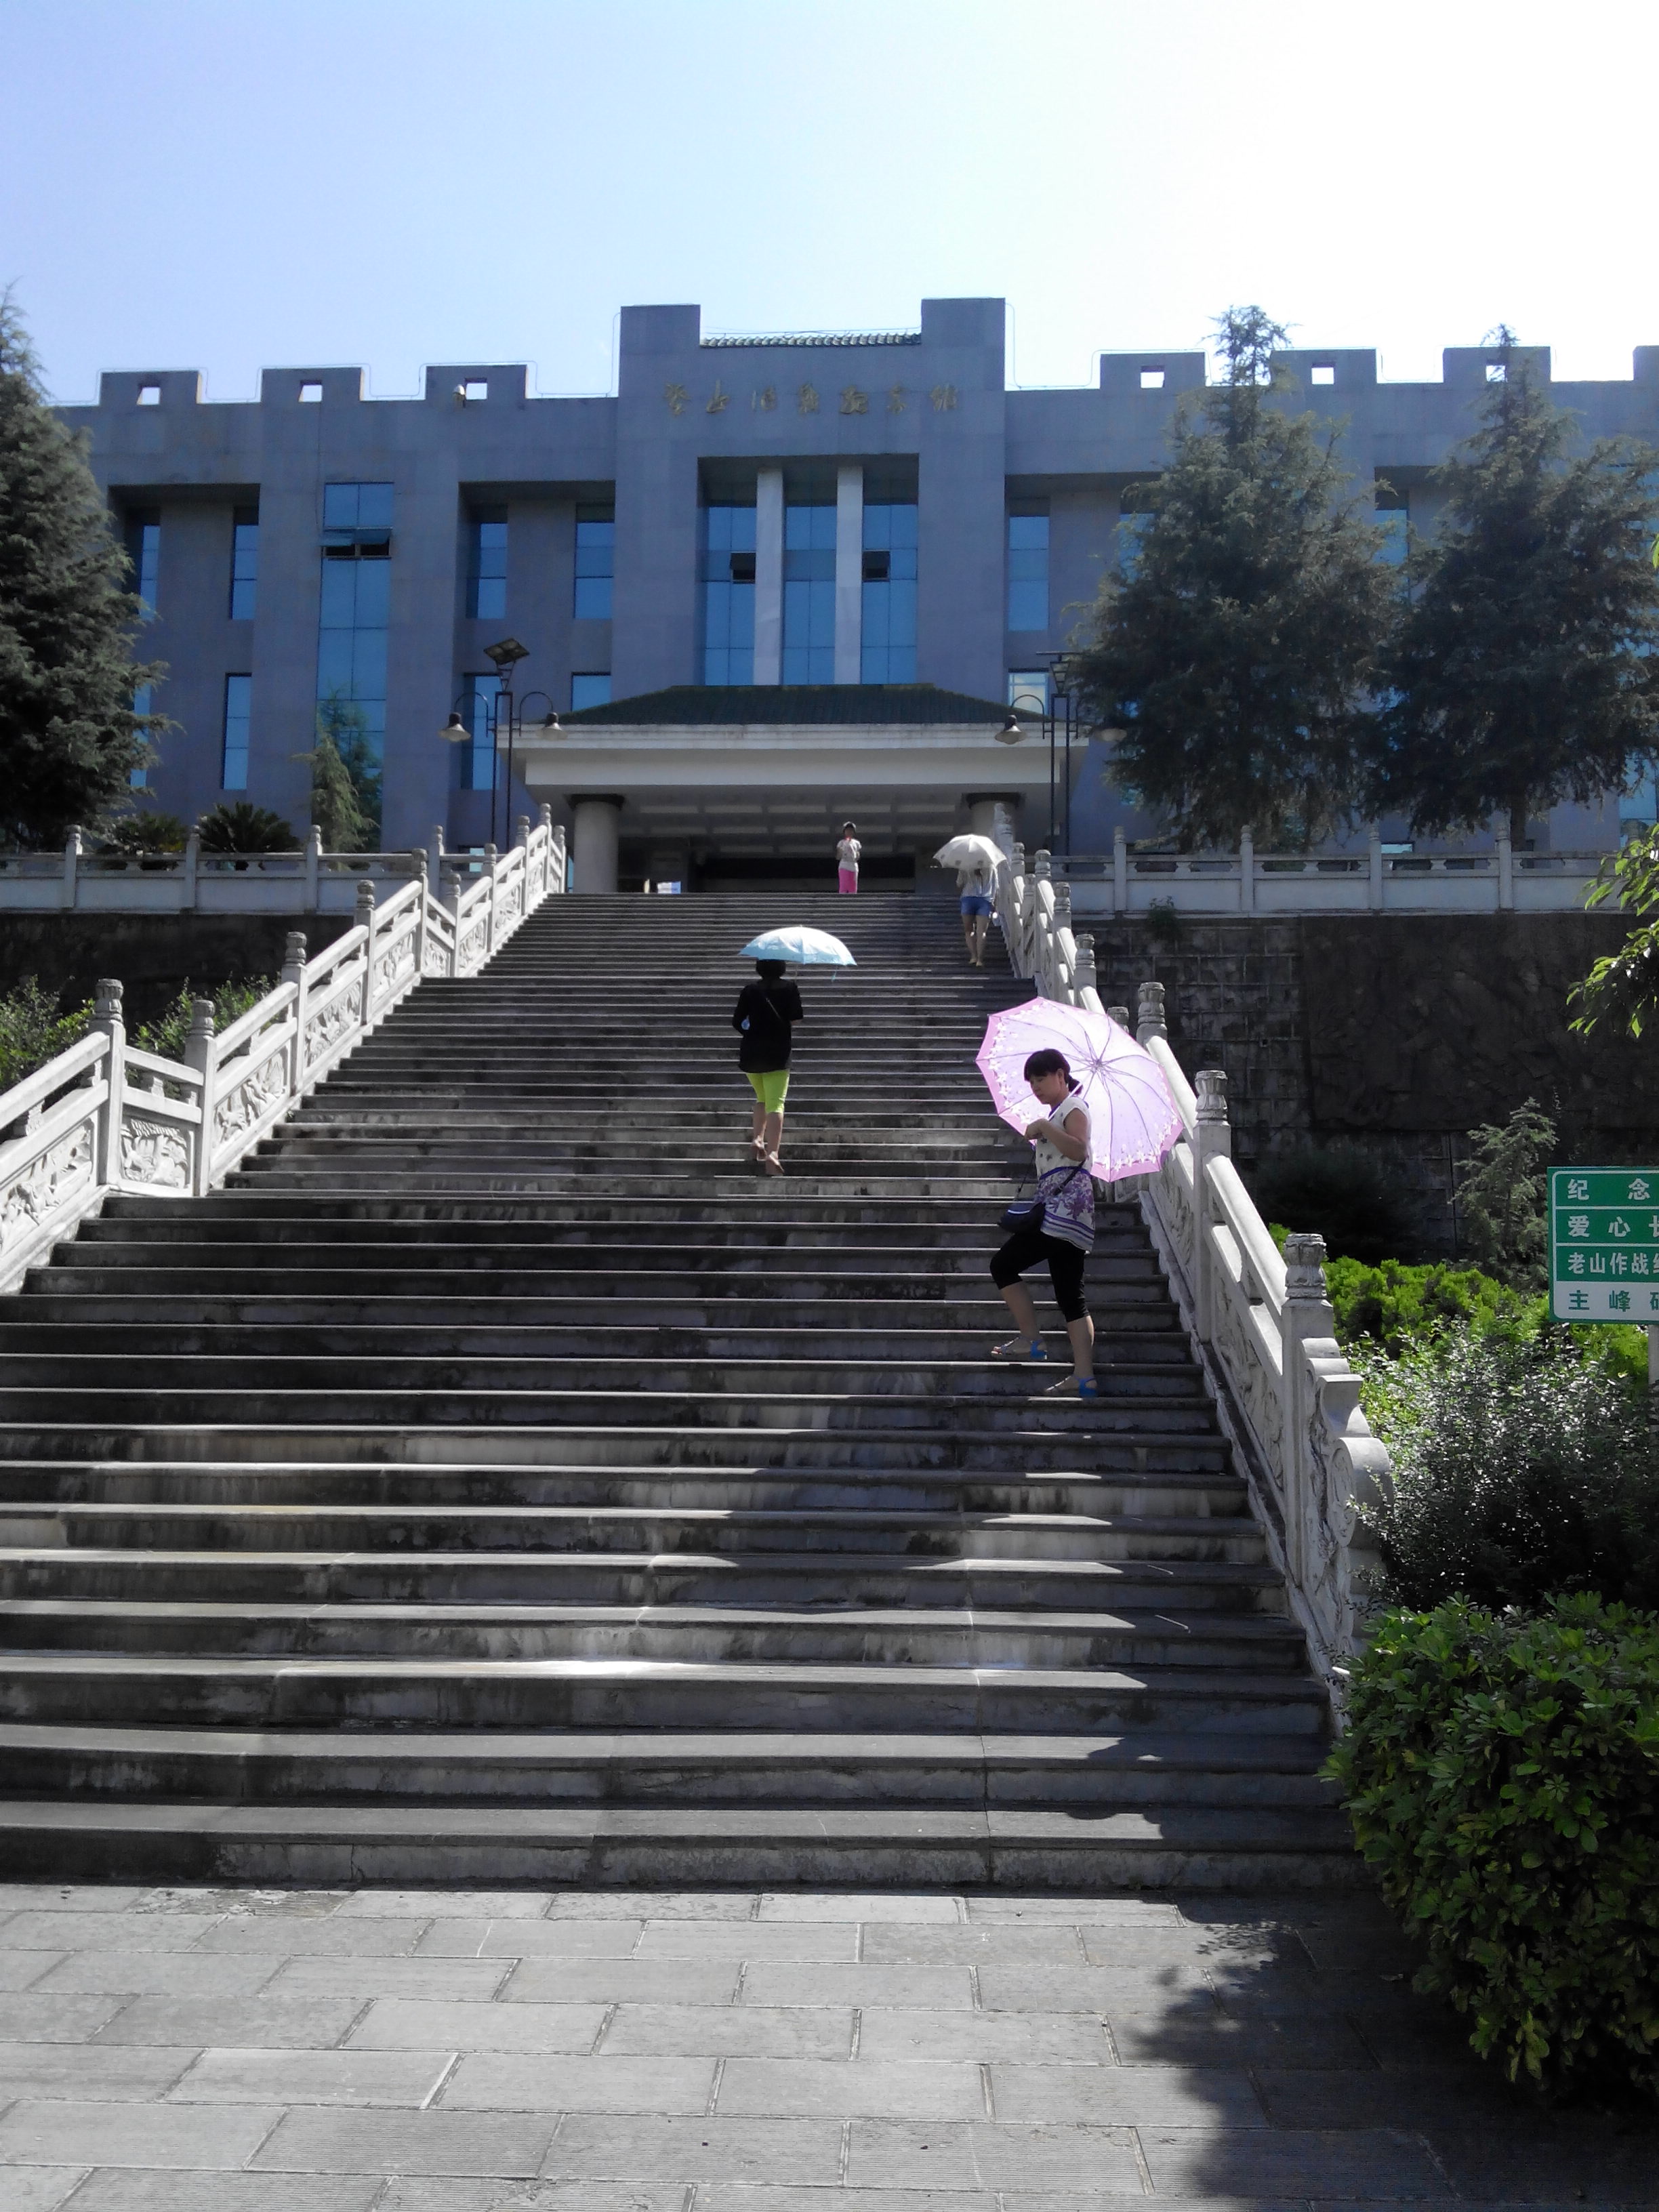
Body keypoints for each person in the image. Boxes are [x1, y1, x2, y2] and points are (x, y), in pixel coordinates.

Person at [989, 1048, 1097, 1399]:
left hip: (1062, 1215)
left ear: (1061, 1076)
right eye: (1031, 1082)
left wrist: (1045, 1127)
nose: (1035, 1087)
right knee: (1070, 1296)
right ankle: (1084, 1378)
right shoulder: (1058, 1112)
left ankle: (1032, 1339)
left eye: (1041, 1079)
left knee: (1003, 1265)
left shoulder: (1074, 1106)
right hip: (1067, 1216)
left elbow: (1079, 1150)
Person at [731, 957, 804, 1176]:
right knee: (776, 1103)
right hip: (777, 1054)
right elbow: (796, 1019)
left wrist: (753, 1032)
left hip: (752, 1053)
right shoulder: (790, 988)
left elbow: (737, 1021)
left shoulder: (750, 990)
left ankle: (757, 1138)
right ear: (782, 967)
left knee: (762, 1098)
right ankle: (773, 1153)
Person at [957, 856, 994, 967]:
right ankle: (980, 960)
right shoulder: (991, 866)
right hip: (985, 900)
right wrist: (994, 903)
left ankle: (973, 956)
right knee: (981, 932)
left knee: (969, 931)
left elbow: (959, 883)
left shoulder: (965, 865)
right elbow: (996, 886)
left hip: (968, 899)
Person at [836, 822, 861, 895]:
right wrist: (840, 852)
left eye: (851, 830)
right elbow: (838, 857)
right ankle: (842, 901)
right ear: (844, 832)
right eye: (847, 830)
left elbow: (858, 855)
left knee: (853, 888)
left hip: (853, 866)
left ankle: (853, 901)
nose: (849, 832)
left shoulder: (857, 843)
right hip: (844, 865)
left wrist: (857, 855)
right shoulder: (841, 843)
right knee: (843, 887)